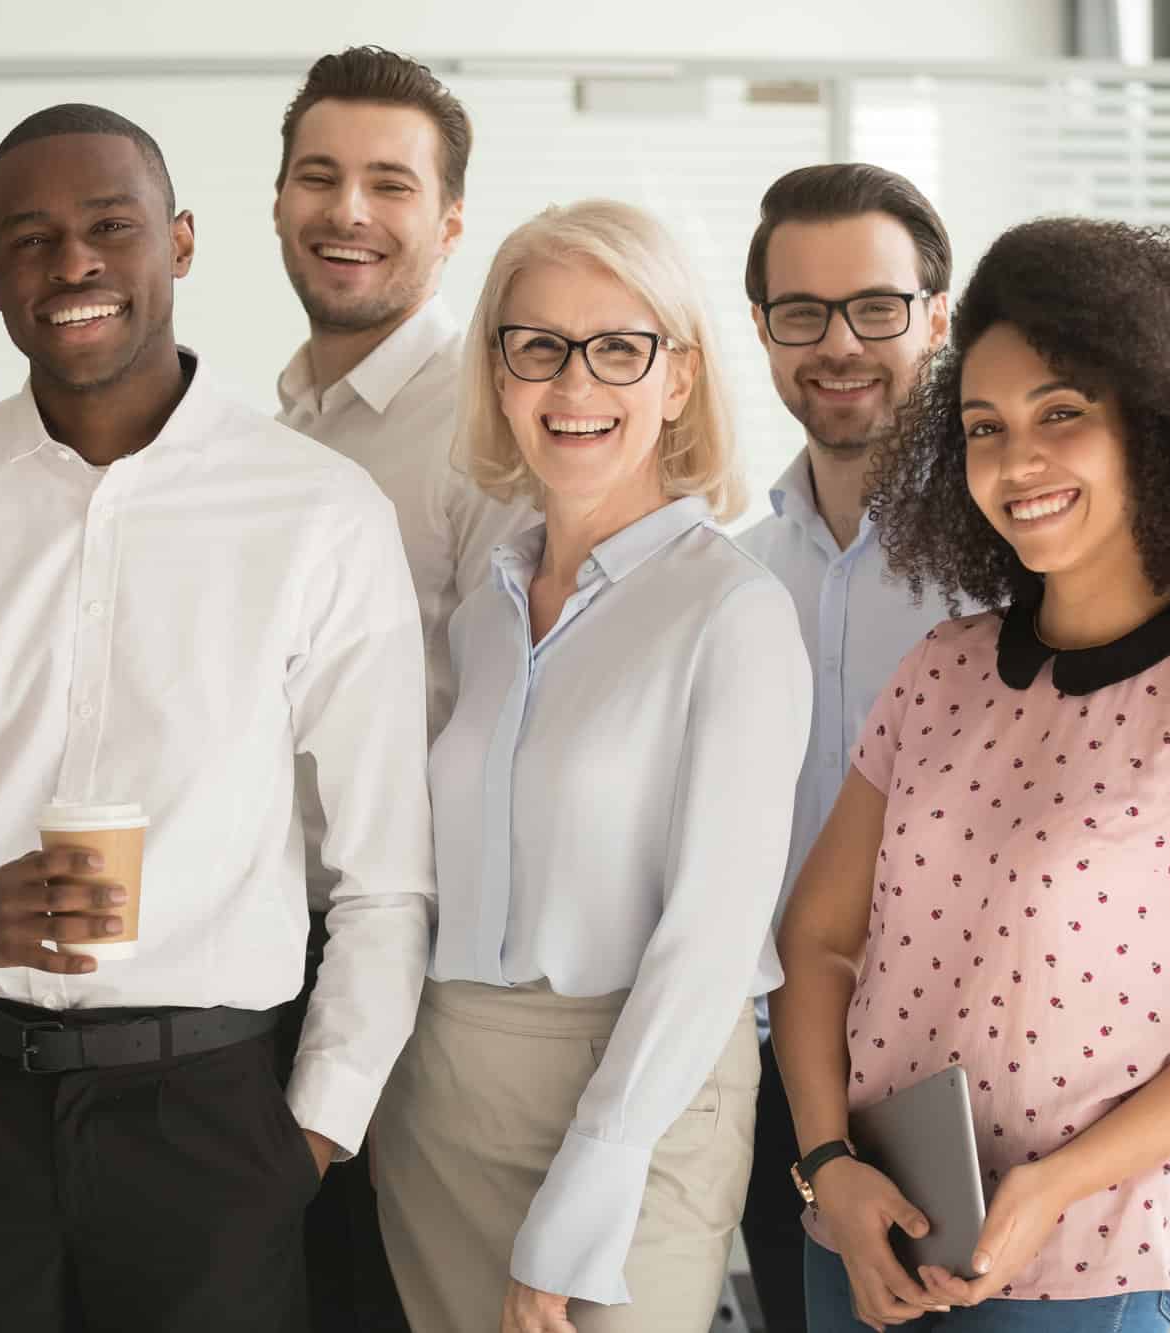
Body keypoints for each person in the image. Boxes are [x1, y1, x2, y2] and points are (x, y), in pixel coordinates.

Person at [0, 103, 435, 1333]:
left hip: (213, 1122)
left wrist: (312, 1129)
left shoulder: (319, 513)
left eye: (109, 226)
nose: (71, 262)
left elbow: (384, 877)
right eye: (30, 239)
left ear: (178, 241)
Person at [772, 218, 1170, 1332]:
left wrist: (1055, 1184)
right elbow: (819, 938)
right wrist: (828, 1166)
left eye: (1061, 414)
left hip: (1082, 1271)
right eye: (983, 427)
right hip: (867, 1246)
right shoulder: (938, 671)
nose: (1014, 461)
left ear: (1158, 425)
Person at [371, 199, 811, 1333]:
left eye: (619, 347)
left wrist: (592, 1179)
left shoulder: (733, 613)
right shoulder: (484, 612)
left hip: (642, 1097)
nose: (573, 384)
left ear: (679, 377)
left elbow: (712, 941)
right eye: (538, 346)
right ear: (498, 371)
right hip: (444, 1097)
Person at [271, 46, 532, 1332]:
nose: (348, 211)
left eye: (389, 183)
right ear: (276, 201)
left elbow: (514, 741)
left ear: (449, 222)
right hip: (277, 954)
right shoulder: (279, 424)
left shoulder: (486, 427)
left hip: (417, 966)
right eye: (318, 176)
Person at [734, 163, 959, 1333]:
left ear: (936, 317)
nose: (837, 344)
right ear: (759, 327)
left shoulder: (1007, 567)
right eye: (800, 312)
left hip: (954, 1077)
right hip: (767, 1069)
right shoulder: (731, 575)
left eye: (874, 307)